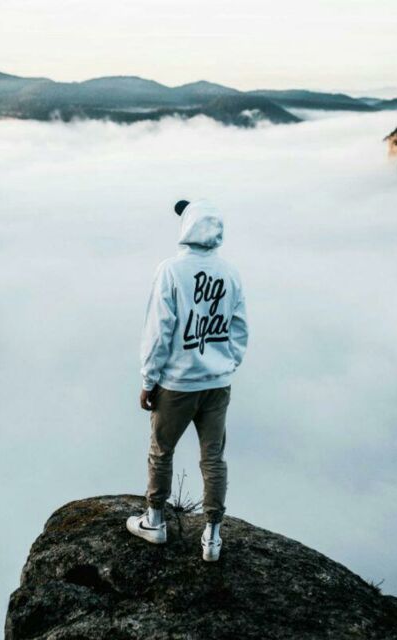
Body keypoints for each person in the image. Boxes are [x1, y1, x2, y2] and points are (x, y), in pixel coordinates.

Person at [126, 199, 249, 562]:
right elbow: (240, 328)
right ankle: (212, 536)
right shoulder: (230, 274)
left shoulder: (171, 271)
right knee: (213, 458)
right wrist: (225, 364)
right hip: (217, 384)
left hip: (178, 383)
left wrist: (148, 379)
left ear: (187, 227)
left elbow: (159, 331)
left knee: (161, 451)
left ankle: (155, 520)